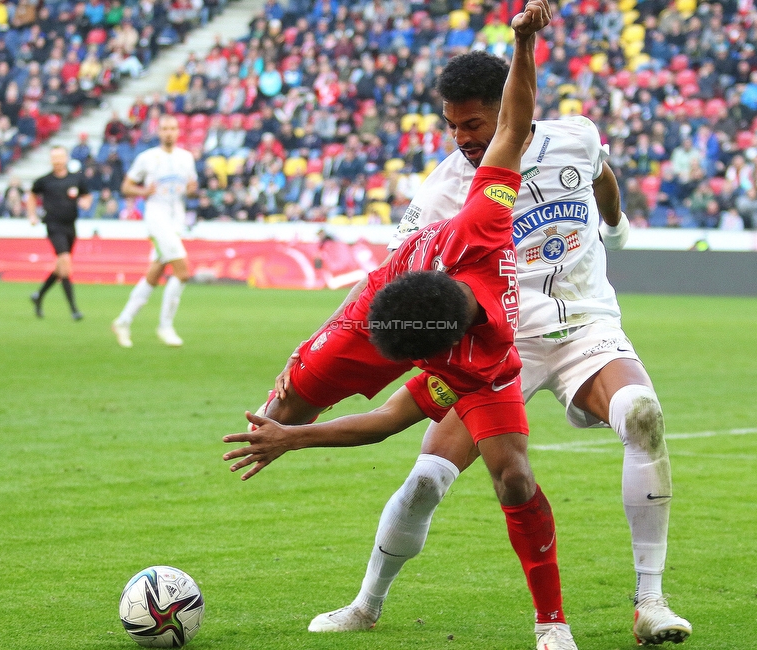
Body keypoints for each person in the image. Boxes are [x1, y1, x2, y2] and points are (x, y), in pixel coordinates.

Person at [271, 49, 692, 646]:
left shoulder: (575, 138)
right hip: (496, 346)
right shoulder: (447, 189)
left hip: (585, 328)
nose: (464, 140)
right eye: (453, 126)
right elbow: (396, 277)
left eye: (475, 125)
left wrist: (615, 224)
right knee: (427, 479)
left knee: (642, 415)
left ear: (510, 110)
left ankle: (650, 601)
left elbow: (601, 172)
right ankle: (366, 603)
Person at [225, 5, 577, 650]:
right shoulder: (485, 213)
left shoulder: (482, 364)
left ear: (433, 355)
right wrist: (526, 41)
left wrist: (298, 442)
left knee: (515, 478)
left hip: (447, 350)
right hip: (373, 306)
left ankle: (552, 627)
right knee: (276, 406)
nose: (463, 136)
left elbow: (384, 424)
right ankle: (274, 429)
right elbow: (514, 125)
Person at [111, 114, 198, 347]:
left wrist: (192, 190)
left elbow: (190, 189)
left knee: (154, 274)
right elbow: (126, 186)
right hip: (156, 218)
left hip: (175, 219)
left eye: (173, 128)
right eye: (165, 128)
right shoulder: (147, 158)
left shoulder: (186, 158)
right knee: (182, 272)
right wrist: (143, 192)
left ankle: (123, 321)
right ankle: (165, 326)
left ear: (178, 132)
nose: (169, 132)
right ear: (159, 132)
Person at [27, 146, 92, 320]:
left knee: (61, 267)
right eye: (54, 158)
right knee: (65, 262)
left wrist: (85, 202)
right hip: (53, 226)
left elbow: (87, 195)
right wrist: (32, 215)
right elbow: (31, 196)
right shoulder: (45, 181)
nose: (57, 161)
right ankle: (74, 309)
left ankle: (39, 296)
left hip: (70, 226)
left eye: (60, 157)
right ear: (51, 160)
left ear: (66, 158)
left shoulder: (75, 179)